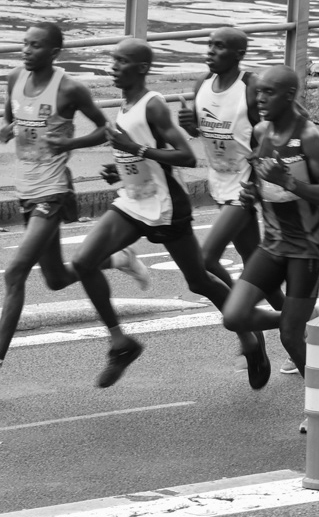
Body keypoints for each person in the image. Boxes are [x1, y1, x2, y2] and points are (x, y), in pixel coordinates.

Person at [0, 22, 150, 401]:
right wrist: (7, 128)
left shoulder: (69, 88)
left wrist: (69, 144)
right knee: (56, 278)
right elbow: (10, 114)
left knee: (15, 272)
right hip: (26, 191)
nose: (27, 51)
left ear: (54, 52)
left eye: (36, 45)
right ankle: (119, 264)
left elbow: (106, 130)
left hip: (54, 192)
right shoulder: (16, 77)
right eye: (25, 44)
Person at [73, 38, 245, 389]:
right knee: (83, 262)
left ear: (141, 68)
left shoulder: (153, 105)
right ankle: (120, 343)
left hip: (167, 207)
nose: (113, 67)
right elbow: (140, 153)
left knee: (198, 281)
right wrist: (121, 168)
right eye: (112, 60)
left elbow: (186, 156)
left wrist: (135, 149)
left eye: (121, 61)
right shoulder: (126, 102)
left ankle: (248, 332)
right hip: (134, 201)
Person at [220, 65, 319, 406]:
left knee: (290, 336)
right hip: (272, 243)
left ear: (289, 96)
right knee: (234, 316)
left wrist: (288, 181)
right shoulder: (262, 132)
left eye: (268, 92)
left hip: (306, 247)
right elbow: (264, 184)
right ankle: (303, 320)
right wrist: (253, 194)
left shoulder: (309, 138)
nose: (259, 98)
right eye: (258, 91)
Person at [177, 28, 285, 327]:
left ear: (239, 54)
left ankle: (241, 312)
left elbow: (282, 127)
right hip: (219, 180)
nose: (211, 51)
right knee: (255, 266)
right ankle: (297, 323)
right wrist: (190, 126)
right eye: (209, 45)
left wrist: (262, 158)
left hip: (246, 185)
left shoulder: (251, 87)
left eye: (220, 46)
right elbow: (204, 130)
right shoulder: (202, 84)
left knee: (206, 259)